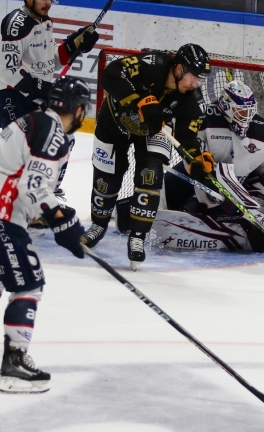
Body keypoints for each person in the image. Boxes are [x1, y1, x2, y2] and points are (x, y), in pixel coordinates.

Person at [0, 76, 90, 393]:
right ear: (78, 110)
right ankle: (15, 362)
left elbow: (33, 183)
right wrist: (63, 222)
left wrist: (61, 218)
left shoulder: (34, 121)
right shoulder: (53, 130)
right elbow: (35, 186)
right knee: (29, 282)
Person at [82, 44, 212, 270]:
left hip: (153, 131)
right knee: (107, 179)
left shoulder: (190, 99)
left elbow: (187, 136)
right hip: (114, 123)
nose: (195, 84)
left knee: (150, 176)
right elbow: (111, 74)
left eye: (199, 79)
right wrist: (140, 99)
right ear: (179, 68)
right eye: (193, 77)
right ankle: (98, 226)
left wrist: (196, 158)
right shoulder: (153, 64)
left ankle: (138, 237)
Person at [0, 0, 99, 202]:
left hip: (33, 92)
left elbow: (50, 61)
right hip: (9, 93)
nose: (48, 2)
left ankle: (46, 192)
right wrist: (42, 89)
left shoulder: (44, 21)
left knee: (64, 137)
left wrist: (74, 43)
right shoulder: (16, 24)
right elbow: (6, 71)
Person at [160, 80, 264, 252]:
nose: (246, 117)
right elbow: (189, 143)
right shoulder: (205, 118)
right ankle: (188, 210)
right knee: (172, 183)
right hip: (210, 174)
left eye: (249, 111)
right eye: (241, 111)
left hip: (242, 184)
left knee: (250, 195)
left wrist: (261, 192)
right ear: (226, 106)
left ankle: (239, 222)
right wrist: (198, 160)